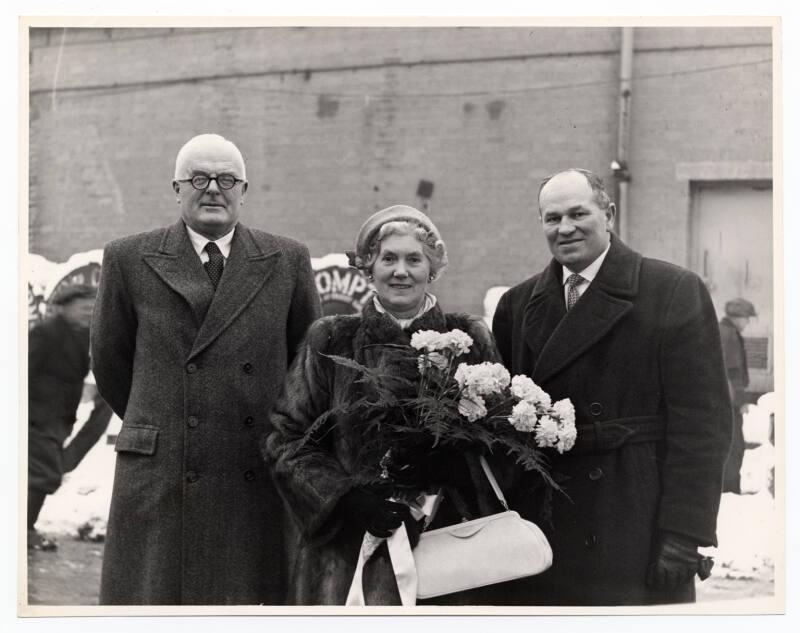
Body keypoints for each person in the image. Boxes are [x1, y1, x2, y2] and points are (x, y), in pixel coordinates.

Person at [91, 133, 321, 605]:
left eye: (226, 179)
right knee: (158, 605)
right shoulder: (128, 257)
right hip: (163, 471)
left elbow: (307, 366)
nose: (213, 188)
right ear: (177, 188)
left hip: (254, 465)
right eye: (199, 178)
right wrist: (161, 416)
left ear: (244, 189)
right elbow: (110, 362)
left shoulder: (288, 259)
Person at [492, 168, 732, 605]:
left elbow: (703, 426)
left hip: (634, 520)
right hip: (542, 527)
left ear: (609, 215)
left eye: (578, 213)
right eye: (552, 218)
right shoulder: (517, 305)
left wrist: (683, 534)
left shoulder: (672, 291)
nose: (564, 228)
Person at [264, 205, 509, 605]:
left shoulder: (469, 337)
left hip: (447, 547)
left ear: (432, 269)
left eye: (414, 259)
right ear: (368, 268)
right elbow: (287, 437)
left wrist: (454, 465)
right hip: (348, 554)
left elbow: (502, 435)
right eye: (388, 258)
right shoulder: (330, 339)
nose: (401, 271)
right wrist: (343, 499)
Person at [28, 284, 112, 551]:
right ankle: (24, 530)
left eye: (92, 308)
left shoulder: (83, 336)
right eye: (83, 307)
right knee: (43, 474)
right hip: (36, 415)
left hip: (59, 417)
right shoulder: (46, 333)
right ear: (64, 307)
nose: (88, 313)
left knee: (42, 474)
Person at [719, 297, 757, 494]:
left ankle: (725, 489)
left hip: (719, 401)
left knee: (725, 446)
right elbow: (733, 371)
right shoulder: (731, 335)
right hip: (730, 401)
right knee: (735, 447)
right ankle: (730, 491)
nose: (748, 322)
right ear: (737, 317)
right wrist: (741, 401)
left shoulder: (720, 330)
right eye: (747, 318)